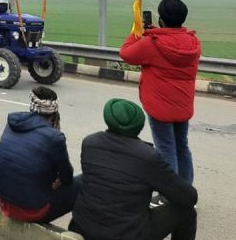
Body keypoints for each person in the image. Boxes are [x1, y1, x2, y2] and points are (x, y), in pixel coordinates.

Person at [69, 98, 197, 240]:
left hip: (83, 228)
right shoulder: (148, 156)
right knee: (186, 211)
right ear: (139, 125)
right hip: (128, 234)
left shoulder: (90, 143)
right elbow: (189, 197)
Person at [120, 0, 201, 192]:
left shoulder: (151, 43)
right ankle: (185, 192)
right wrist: (155, 31)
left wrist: (136, 32)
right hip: (183, 105)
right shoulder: (193, 42)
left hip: (160, 107)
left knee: (165, 149)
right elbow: (171, 41)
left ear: (162, 18)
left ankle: (169, 195)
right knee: (182, 147)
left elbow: (126, 54)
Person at [0, 87, 81, 223]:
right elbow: (67, 178)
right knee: (83, 182)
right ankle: (77, 229)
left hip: (5, 204)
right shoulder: (54, 137)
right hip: (32, 212)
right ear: (54, 113)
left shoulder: (12, 123)